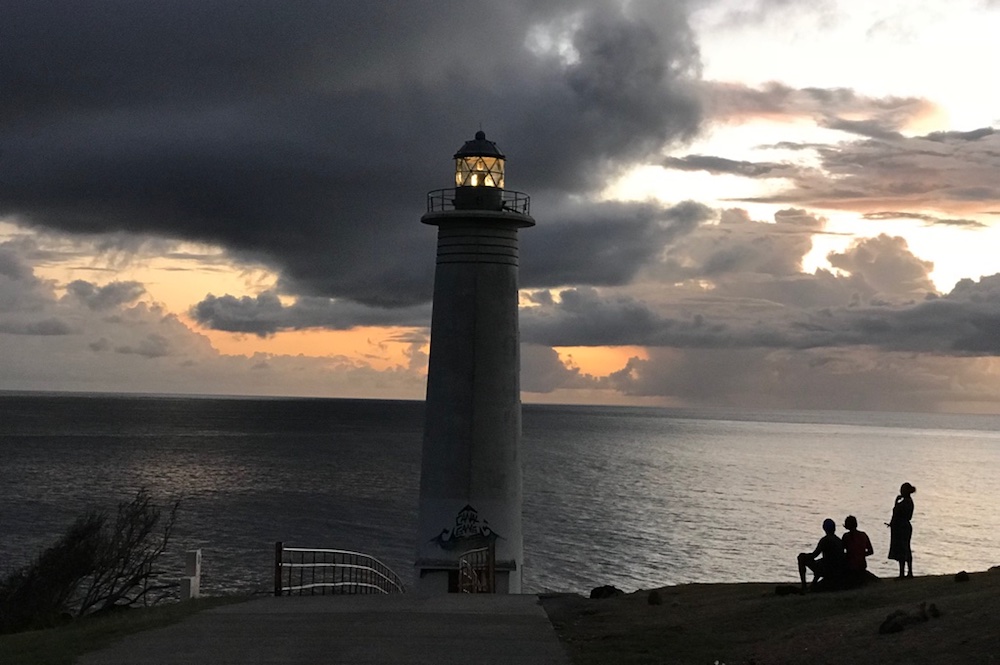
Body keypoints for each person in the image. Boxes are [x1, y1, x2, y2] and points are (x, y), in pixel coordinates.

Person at [797, 518, 845, 592]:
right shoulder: (839, 541)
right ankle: (813, 583)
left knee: (801, 558)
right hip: (837, 569)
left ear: (824, 528)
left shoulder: (825, 540)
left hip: (828, 569)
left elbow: (814, 555)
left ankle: (804, 586)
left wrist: (805, 555)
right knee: (821, 562)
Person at [887, 482, 916, 578]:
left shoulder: (905, 503)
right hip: (903, 526)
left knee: (903, 549)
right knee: (904, 548)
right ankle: (906, 572)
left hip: (901, 527)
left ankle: (904, 573)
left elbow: (896, 512)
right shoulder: (908, 502)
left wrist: (896, 503)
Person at [842, 515, 875, 586]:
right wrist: (861, 554)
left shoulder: (846, 536)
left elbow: (841, 551)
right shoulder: (863, 535)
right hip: (862, 566)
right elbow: (871, 551)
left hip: (850, 566)